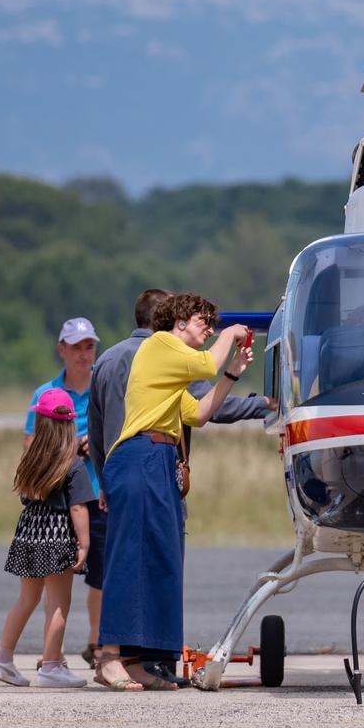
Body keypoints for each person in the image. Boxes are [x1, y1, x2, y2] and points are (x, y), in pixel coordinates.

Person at [86, 288, 274, 685]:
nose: (209, 332)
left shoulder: (174, 369)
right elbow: (206, 364)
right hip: (138, 455)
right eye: (204, 324)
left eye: (212, 327)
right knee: (129, 557)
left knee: (160, 560)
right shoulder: (161, 345)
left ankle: (140, 655)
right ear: (180, 322)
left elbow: (201, 412)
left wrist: (233, 373)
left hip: (160, 459)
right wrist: (233, 333)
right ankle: (109, 656)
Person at [0, 387, 94, 688]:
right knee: (59, 602)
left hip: (29, 531)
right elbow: (77, 507)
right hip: (58, 534)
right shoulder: (71, 463)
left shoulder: (32, 458)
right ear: (70, 424)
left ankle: (2, 658)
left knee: (27, 599)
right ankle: (50, 666)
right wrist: (83, 543)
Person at [21, 317, 102, 668]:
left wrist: (94, 444)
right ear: (62, 350)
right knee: (55, 588)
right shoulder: (46, 393)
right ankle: (51, 654)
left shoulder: (105, 384)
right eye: (76, 347)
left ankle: (97, 644)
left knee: (101, 577)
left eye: (89, 347)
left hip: (100, 494)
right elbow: (31, 449)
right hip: (60, 502)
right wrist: (70, 453)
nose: (84, 355)